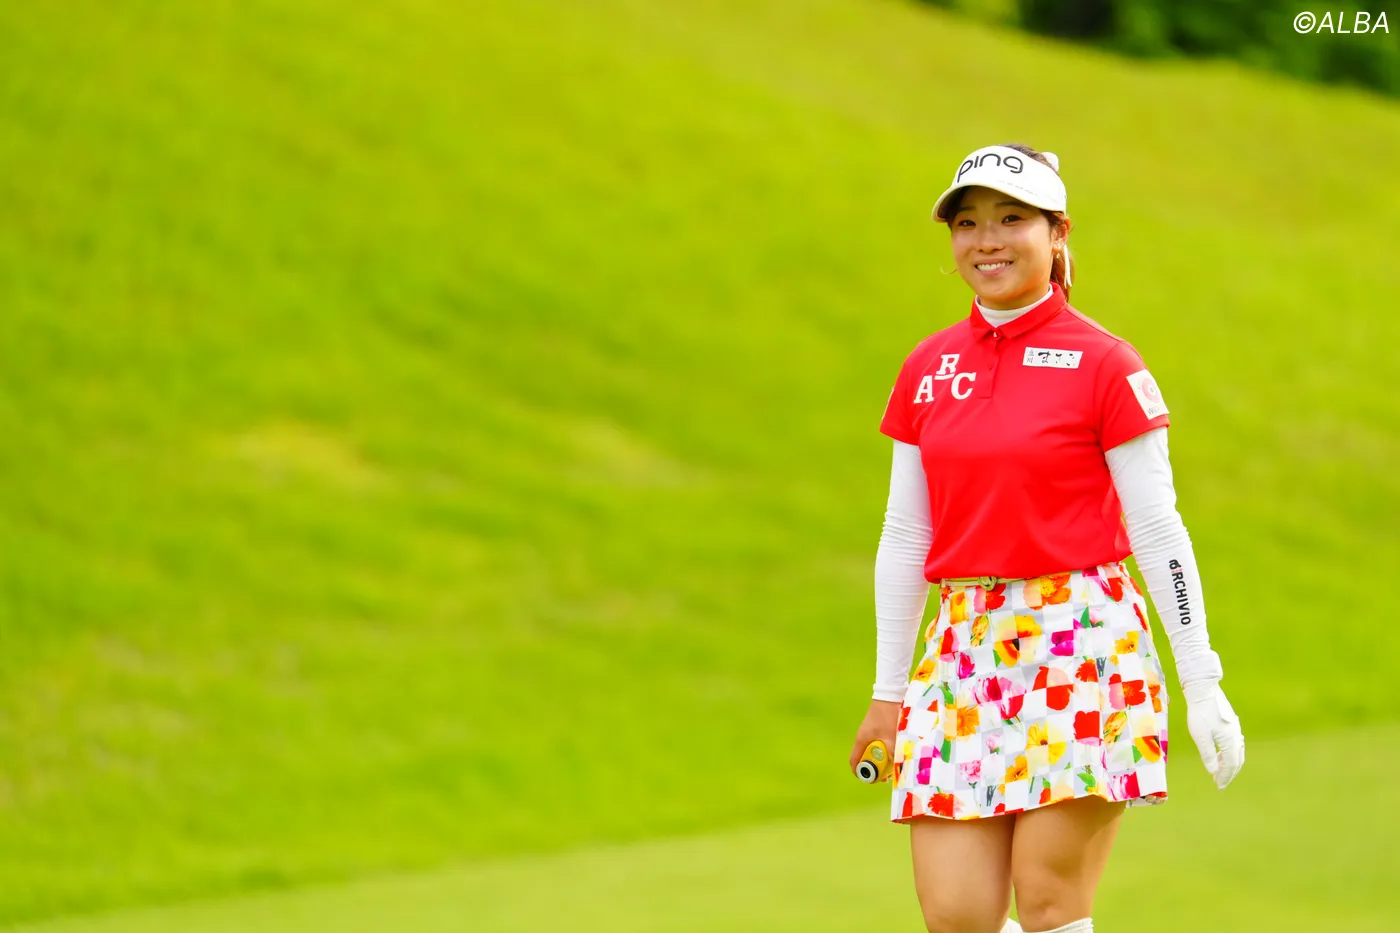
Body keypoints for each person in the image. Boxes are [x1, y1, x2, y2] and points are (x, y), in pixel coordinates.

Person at [846, 143, 1245, 933]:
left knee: (1049, 901)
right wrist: (888, 693)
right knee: (957, 913)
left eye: (1011, 219)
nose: (986, 240)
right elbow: (906, 532)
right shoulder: (928, 367)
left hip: (1082, 640)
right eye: (967, 223)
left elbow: (1158, 527)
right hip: (963, 648)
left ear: (1058, 233)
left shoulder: (1107, 365)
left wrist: (1201, 680)